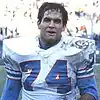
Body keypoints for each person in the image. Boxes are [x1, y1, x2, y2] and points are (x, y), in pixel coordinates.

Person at [1, 2, 98, 100]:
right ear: (39, 24)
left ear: (64, 26)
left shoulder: (77, 52)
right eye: (47, 20)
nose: (51, 25)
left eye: (57, 21)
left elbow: (90, 92)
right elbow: (10, 92)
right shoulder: (21, 50)